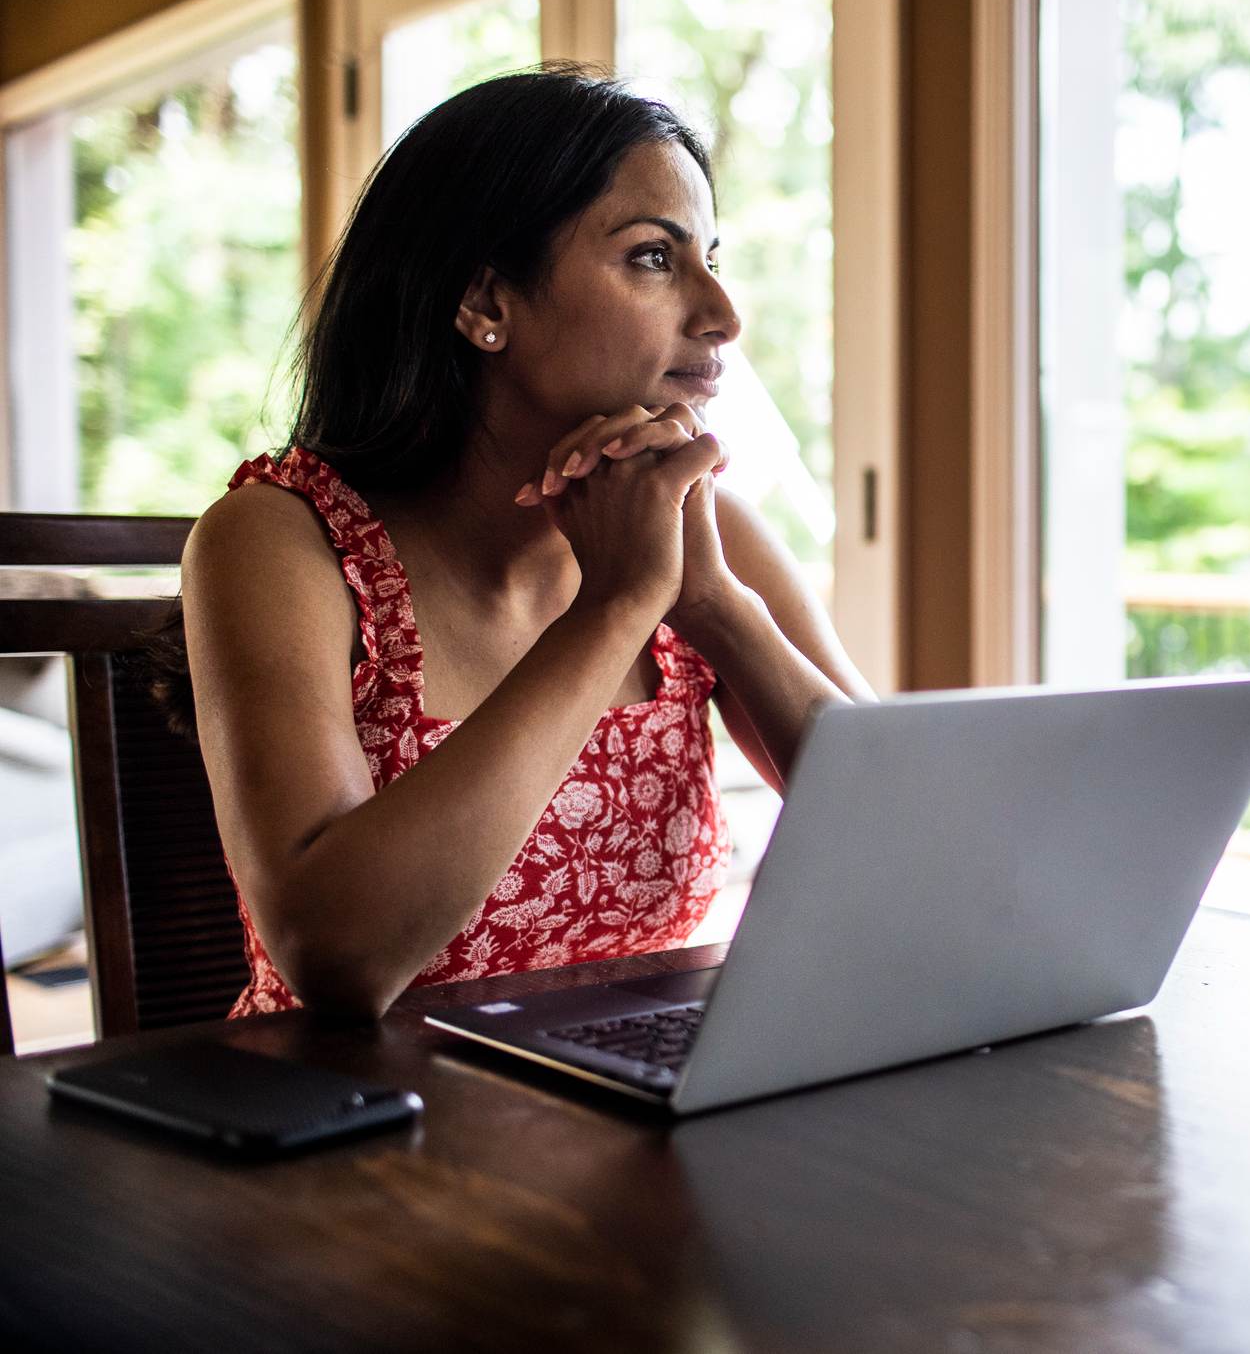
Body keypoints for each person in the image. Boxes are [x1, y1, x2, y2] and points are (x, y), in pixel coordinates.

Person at [179, 67, 869, 1021]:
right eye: (652, 259)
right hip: (359, 1129)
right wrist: (618, 605)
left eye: (712, 257)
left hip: (633, 1108)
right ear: (486, 303)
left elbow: (905, 840)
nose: (722, 314)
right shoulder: (282, 542)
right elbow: (336, 955)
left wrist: (707, 602)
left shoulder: (704, 528)